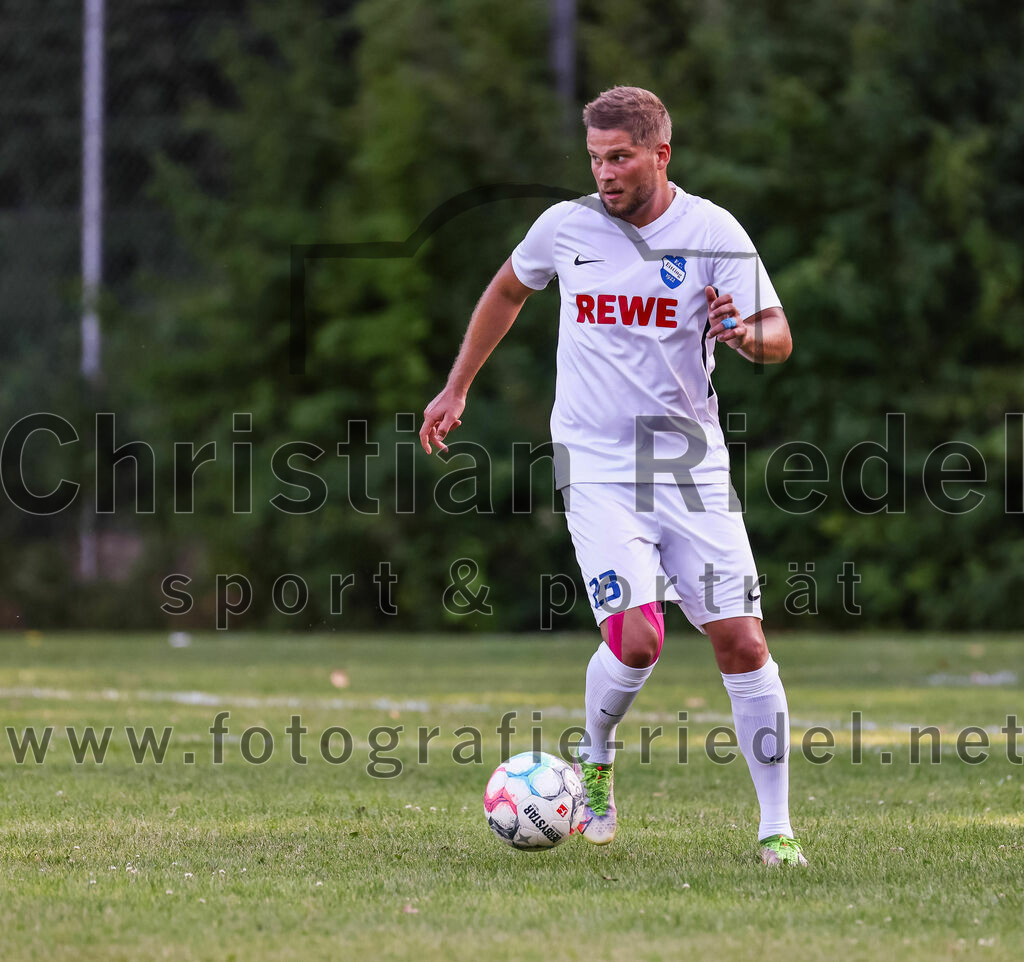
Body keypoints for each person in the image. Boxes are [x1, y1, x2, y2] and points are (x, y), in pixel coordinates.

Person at [420, 86, 805, 867]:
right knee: (635, 639)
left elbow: (778, 335)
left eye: (620, 157)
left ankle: (776, 830)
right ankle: (595, 761)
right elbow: (507, 288)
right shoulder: (567, 228)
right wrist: (457, 385)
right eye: (596, 158)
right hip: (596, 462)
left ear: (660, 155)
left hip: (689, 464)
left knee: (740, 640)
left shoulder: (710, 231)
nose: (606, 173)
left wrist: (744, 338)